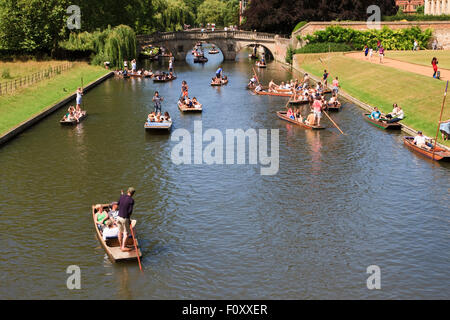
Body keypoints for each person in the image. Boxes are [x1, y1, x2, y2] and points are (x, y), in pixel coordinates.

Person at [117, 187, 135, 252]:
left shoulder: (122, 196)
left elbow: (118, 204)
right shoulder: (131, 200)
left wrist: (122, 194)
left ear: (127, 191)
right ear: (133, 193)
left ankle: (120, 245)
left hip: (118, 217)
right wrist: (129, 219)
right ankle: (123, 247)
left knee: (120, 232)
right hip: (124, 218)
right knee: (126, 233)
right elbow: (130, 211)